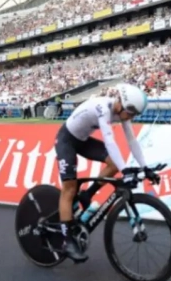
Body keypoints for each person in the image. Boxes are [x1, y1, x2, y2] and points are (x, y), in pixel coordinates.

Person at [55, 83, 152, 263]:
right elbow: (109, 141)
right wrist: (126, 170)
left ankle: (87, 194)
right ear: (121, 102)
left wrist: (145, 167)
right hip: (66, 140)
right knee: (69, 188)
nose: (130, 117)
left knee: (114, 165)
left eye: (135, 115)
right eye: (130, 113)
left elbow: (132, 141)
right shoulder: (102, 107)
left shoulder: (123, 110)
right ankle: (67, 241)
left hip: (83, 140)